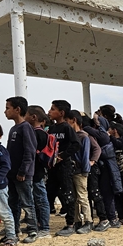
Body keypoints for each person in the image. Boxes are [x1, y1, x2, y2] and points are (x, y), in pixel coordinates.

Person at [4, 96, 38, 243]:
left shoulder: (26, 128)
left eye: (7, 108)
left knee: (27, 202)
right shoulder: (13, 128)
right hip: (12, 174)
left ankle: (32, 231)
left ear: (17, 110)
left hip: (22, 175)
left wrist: (23, 171)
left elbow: (30, 151)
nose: (5, 111)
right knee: (13, 202)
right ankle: (14, 230)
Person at [46, 100, 81, 236]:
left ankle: (70, 224)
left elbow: (76, 144)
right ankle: (42, 223)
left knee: (68, 194)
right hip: (52, 167)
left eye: (52, 109)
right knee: (49, 193)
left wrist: (63, 156)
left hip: (65, 166)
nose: (49, 111)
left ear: (61, 113)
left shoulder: (66, 128)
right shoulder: (51, 129)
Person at [66, 110, 98, 234]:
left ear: (73, 120)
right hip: (72, 170)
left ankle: (88, 221)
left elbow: (85, 155)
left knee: (82, 197)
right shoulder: (73, 136)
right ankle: (77, 221)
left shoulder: (83, 137)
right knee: (74, 197)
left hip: (80, 171)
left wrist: (86, 170)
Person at [26, 105, 51, 237]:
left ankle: (45, 227)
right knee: (37, 199)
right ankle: (38, 224)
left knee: (41, 199)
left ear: (33, 117)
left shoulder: (37, 134)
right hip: (37, 170)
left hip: (36, 171)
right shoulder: (41, 133)